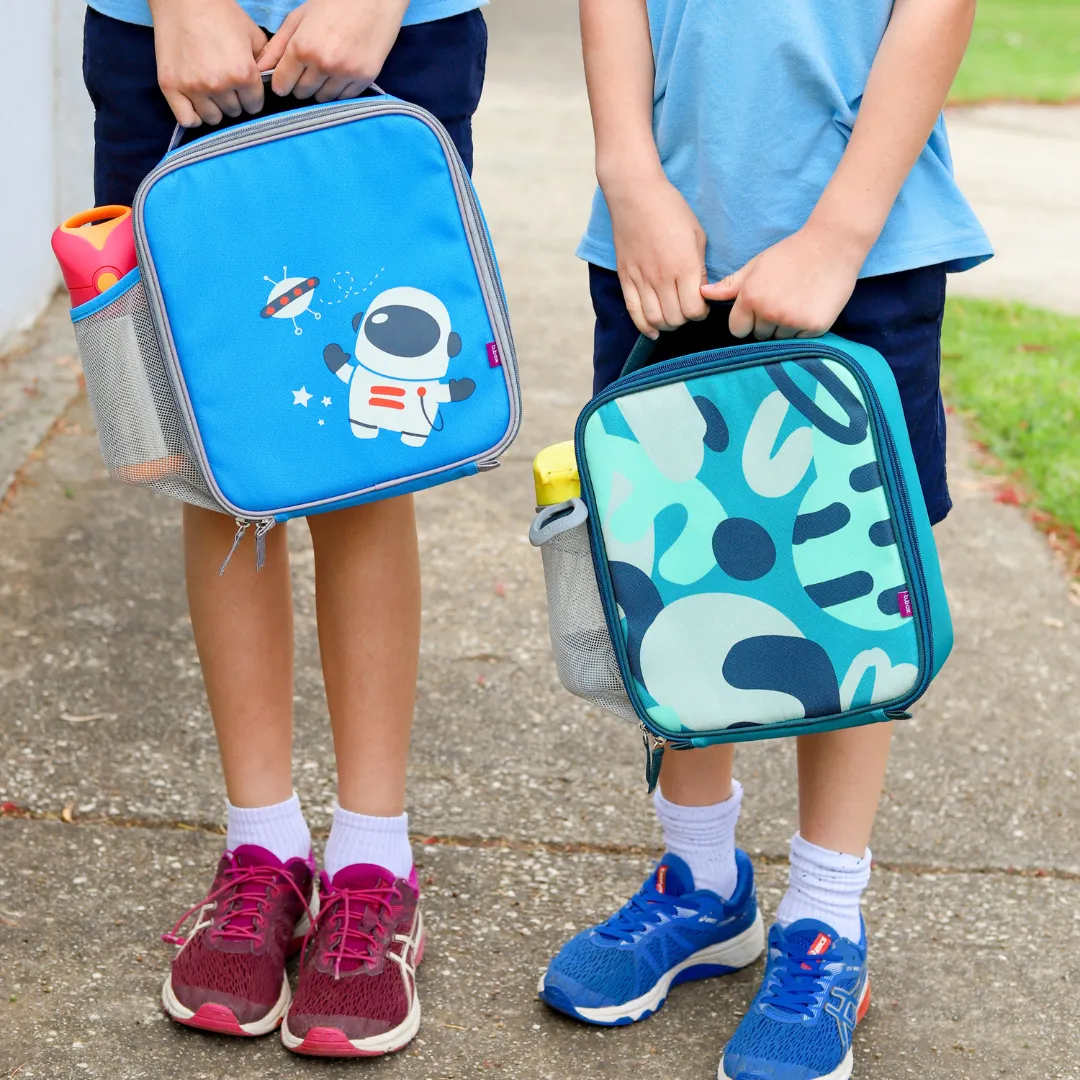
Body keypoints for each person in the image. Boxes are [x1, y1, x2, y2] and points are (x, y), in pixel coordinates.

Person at [538, 1, 990, 1078]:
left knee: (847, 592)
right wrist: (630, 178)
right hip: (659, 242)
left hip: (863, 247)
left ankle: (826, 920)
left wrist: (838, 234)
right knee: (672, 564)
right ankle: (702, 887)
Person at [82, 0, 487, 1056]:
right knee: (215, 449)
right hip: (160, 36)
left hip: (395, 31)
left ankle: (372, 864)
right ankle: (261, 850)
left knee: (367, 443)